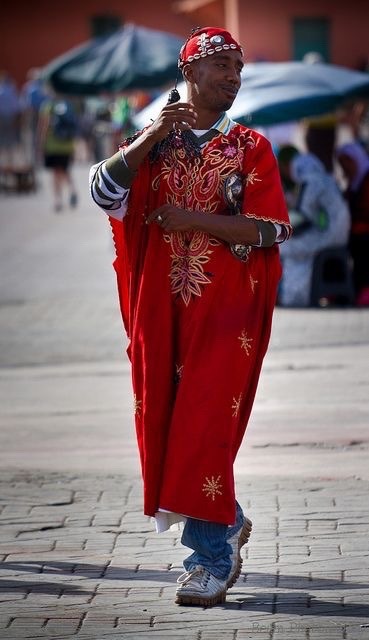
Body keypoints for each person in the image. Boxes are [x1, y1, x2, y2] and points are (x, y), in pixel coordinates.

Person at [89, 26, 291, 607]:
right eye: (221, 65)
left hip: (228, 314)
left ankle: (209, 560)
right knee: (171, 424)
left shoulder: (251, 147)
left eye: (238, 66)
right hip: (163, 313)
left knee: (204, 425)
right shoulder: (156, 142)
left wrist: (194, 221)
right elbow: (104, 193)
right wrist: (151, 134)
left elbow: (272, 228)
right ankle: (224, 516)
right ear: (190, 73)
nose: (233, 76)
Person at [277, 145, 350, 307]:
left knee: (285, 247)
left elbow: (304, 217)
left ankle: (295, 297)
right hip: (339, 233)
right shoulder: (327, 179)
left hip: (328, 235)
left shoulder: (310, 183)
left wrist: (282, 229)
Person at [336, 142, 369, 306]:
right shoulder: (353, 181)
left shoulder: (366, 178)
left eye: (346, 162)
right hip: (355, 230)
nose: (344, 167)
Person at [37, 93, 78, 212]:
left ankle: (58, 200)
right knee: (65, 170)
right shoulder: (68, 105)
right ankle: (72, 190)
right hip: (67, 145)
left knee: (55, 173)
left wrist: (41, 144)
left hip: (53, 145)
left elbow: (44, 126)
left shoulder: (48, 106)